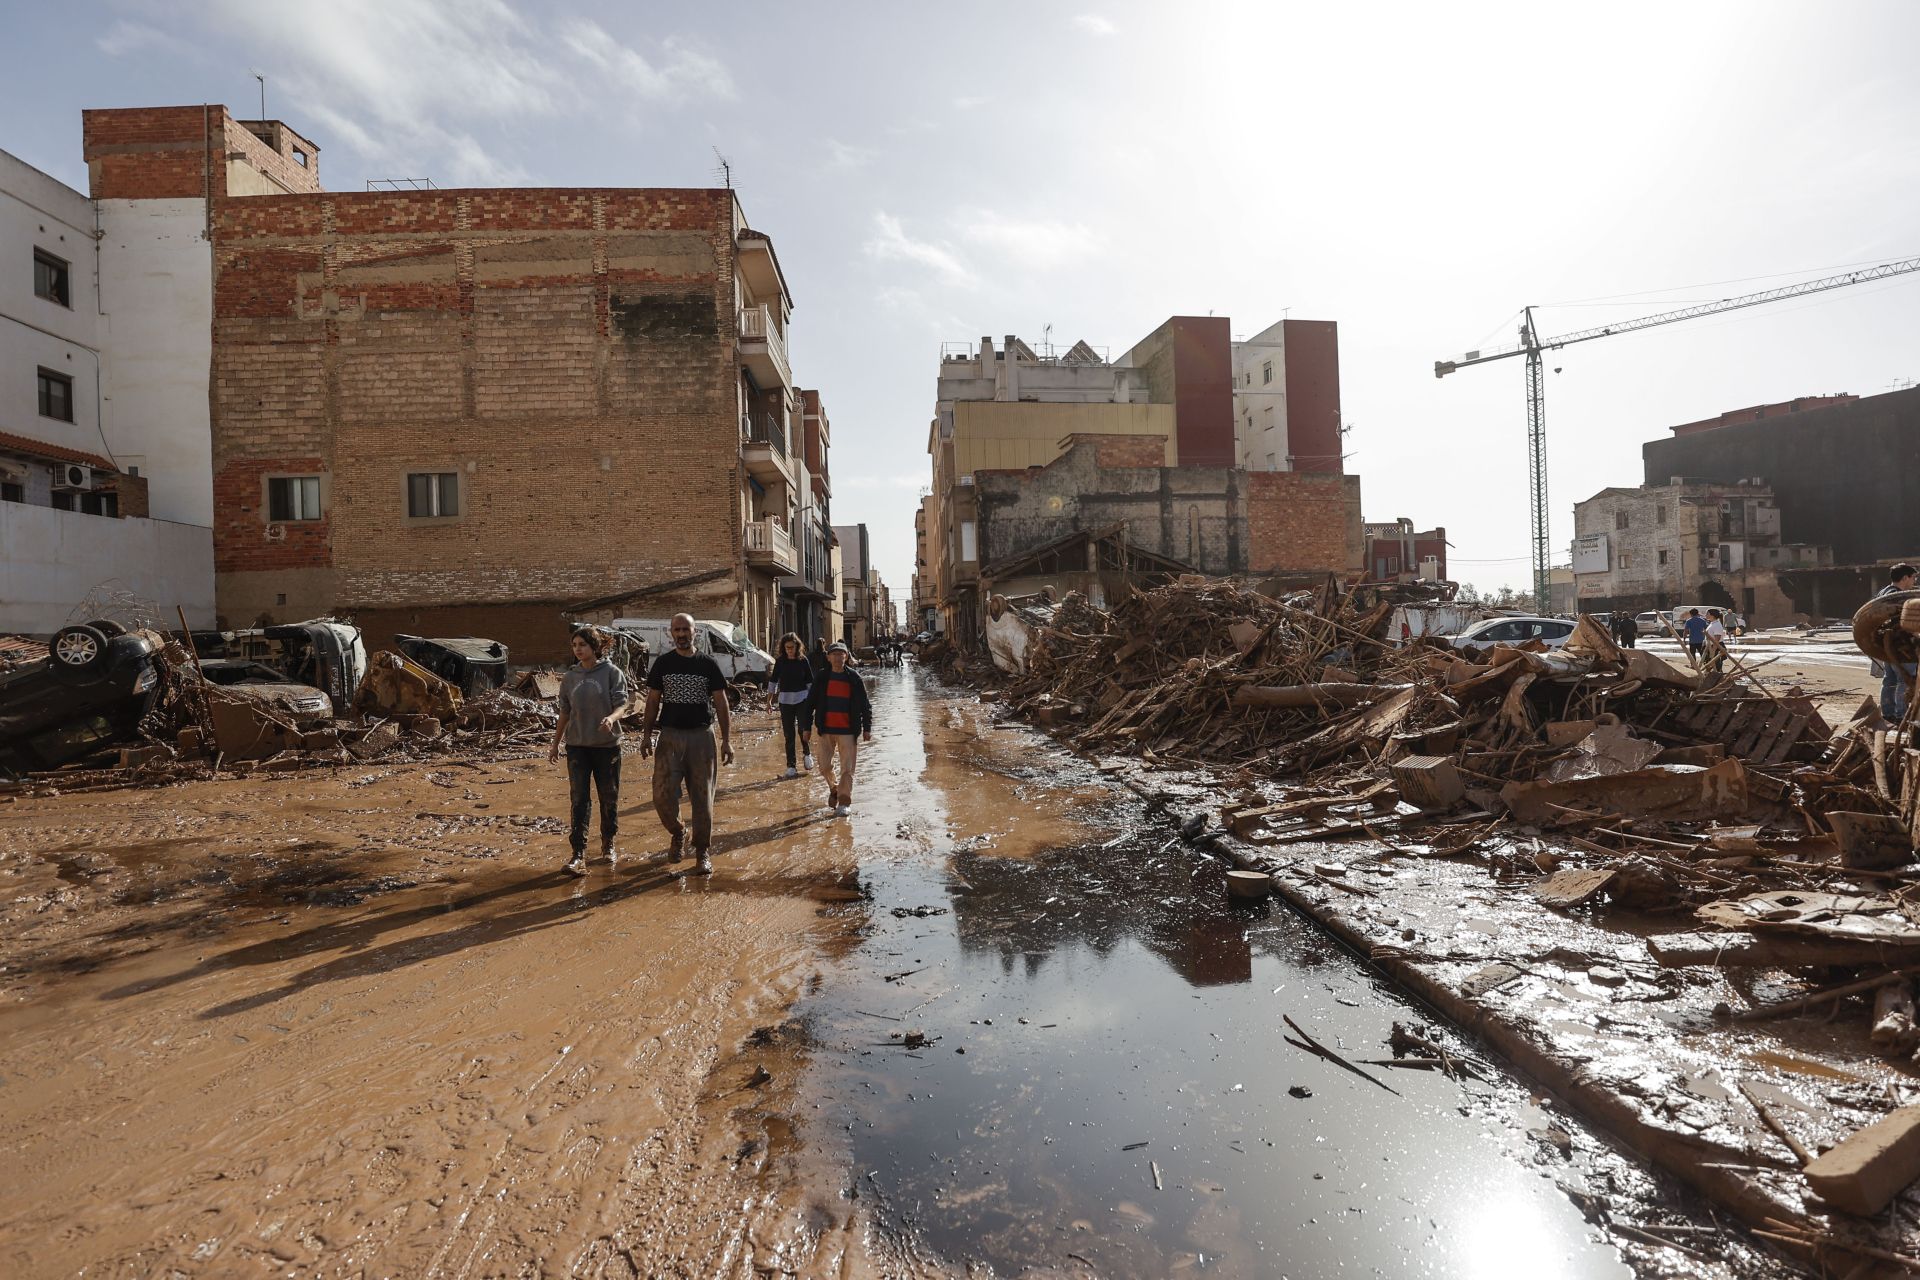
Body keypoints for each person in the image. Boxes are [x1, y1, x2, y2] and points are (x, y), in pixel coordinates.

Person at [640, 613, 733, 875]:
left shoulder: (708, 664)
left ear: (695, 633)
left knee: (702, 798)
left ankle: (702, 852)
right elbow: (652, 701)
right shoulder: (663, 664)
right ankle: (678, 831)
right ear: (671, 633)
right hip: (669, 737)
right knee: (661, 795)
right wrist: (646, 735)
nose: (681, 634)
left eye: (686, 630)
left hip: (702, 737)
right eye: (677, 630)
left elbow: (721, 704)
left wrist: (727, 741)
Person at [548, 627, 628, 877]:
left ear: (595, 647)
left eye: (582, 644)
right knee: (579, 800)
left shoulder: (611, 673)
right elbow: (565, 712)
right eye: (574, 645)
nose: (578, 649)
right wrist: (555, 743)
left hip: (607, 748)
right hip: (577, 747)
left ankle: (608, 844)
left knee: (608, 797)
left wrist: (611, 719)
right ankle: (578, 854)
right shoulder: (570, 677)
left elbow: (622, 704)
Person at [809, 642, 873, 817]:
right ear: (828, 657)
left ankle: (844, 801)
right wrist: (806, 728)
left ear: (846, 657)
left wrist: (867, 728)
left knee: (847, 768)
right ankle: (834, 788)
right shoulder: (822, 678)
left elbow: (865, 705)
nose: (838, 658)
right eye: (834, 654)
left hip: (848, 731)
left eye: (841, 654)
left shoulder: (854, 678)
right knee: (824, 766)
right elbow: (810, 703)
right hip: (825, 729)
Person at [772, 632, 816, 778]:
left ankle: (807, 754)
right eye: (787, 647)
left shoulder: (803, 661)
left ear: (797, 646)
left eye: (792, 647)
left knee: (803, 729)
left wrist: (814, 701)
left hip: (802, 699)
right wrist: (768, 702)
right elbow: (773, 681)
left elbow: (810, 681)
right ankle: (791, 766)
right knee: (788, 734)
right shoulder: (780, 662)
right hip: (785, 701)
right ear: (783, 648)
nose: (790, 650)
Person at [1879, 563, 1918, 722]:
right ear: (1904, 578)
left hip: (1885, 645)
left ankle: (1887, 712)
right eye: (1913, 577)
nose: (1914, 581)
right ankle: (1901, 715)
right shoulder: (1899, 597)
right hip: (1900, 645)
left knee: (1890, 679)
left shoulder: (1883, 593)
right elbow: (1903, 623)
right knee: (1905, 679)